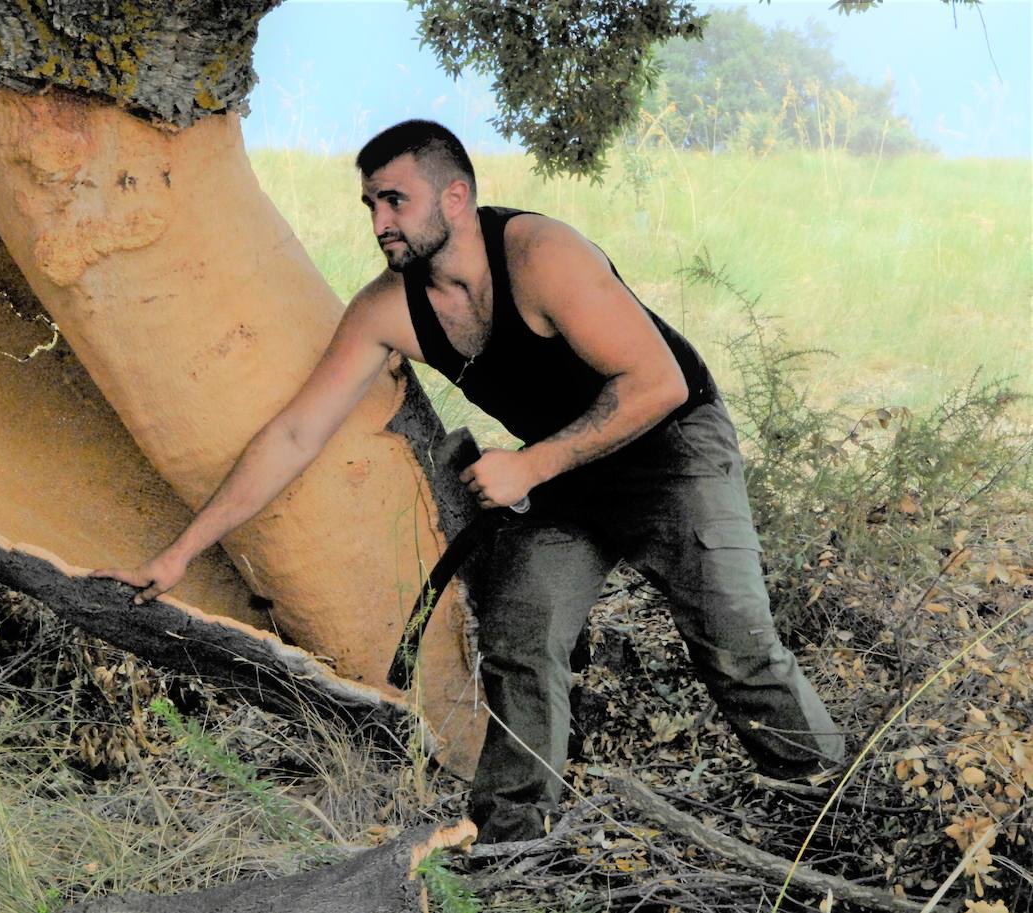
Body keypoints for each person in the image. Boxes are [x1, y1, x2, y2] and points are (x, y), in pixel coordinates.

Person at [92, 119, 845, 844]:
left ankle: (832, 808)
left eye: (395, 200)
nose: (380, 222)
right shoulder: (390, 309)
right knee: (522, 634)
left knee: (736, 648)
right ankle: (513, 841)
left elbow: (659, 382)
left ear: (455, 198)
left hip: (668, 447)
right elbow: (295, 433)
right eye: (370, 205)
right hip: (563, 466)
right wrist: (182, 551)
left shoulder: (543, 254)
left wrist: (531, 464)